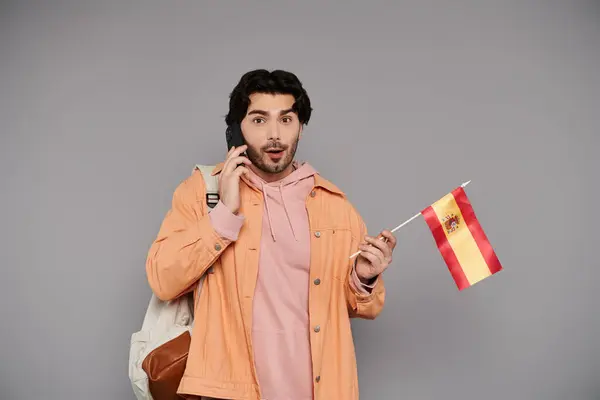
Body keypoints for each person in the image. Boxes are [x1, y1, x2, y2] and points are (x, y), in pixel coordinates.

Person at [145, 69, 397, 400]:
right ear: (237, 129)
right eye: (259, 120)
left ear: (301, 128)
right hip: (232, 391)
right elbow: (163, 279)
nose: (275, 135)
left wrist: (363, 278)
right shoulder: (202, 192)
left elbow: (361, 306)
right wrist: (223, 214)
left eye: (286, 120)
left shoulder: (333, 204)